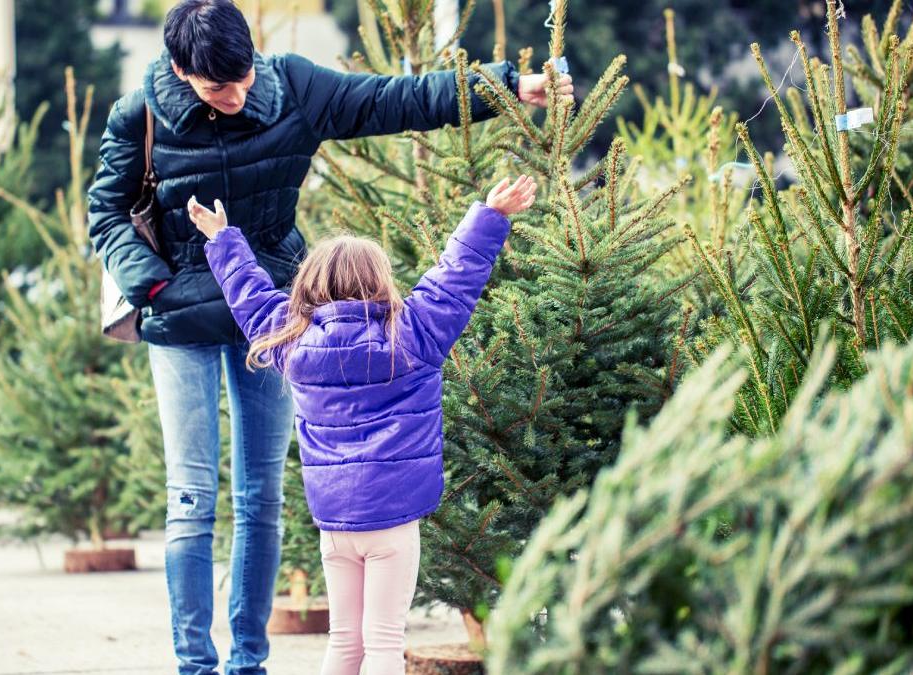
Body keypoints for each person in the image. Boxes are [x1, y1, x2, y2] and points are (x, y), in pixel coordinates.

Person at [86, 0, 572, 670]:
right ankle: (195, 663)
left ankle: (248, 659)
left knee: (262, 495)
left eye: (244, 76)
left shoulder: (290, 87)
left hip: (280, 316)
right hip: (183, 316)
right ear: (181, 71)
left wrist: (507, 86)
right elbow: (105, 211)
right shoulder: (138, 114)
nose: (238, 94)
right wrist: (157, 284)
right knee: (192, 496)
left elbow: (394, 101)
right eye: (217, 87)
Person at [189, 175, 537, 675]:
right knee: (383, 642)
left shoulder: (293, 343)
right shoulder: (413, 335)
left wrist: (223, 240)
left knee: (345, 640)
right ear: (380, 281)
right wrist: (490, 215)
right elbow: (454, 277)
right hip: (394, 520)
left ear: (309, 286)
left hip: (335, 522)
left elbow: (252, 298)